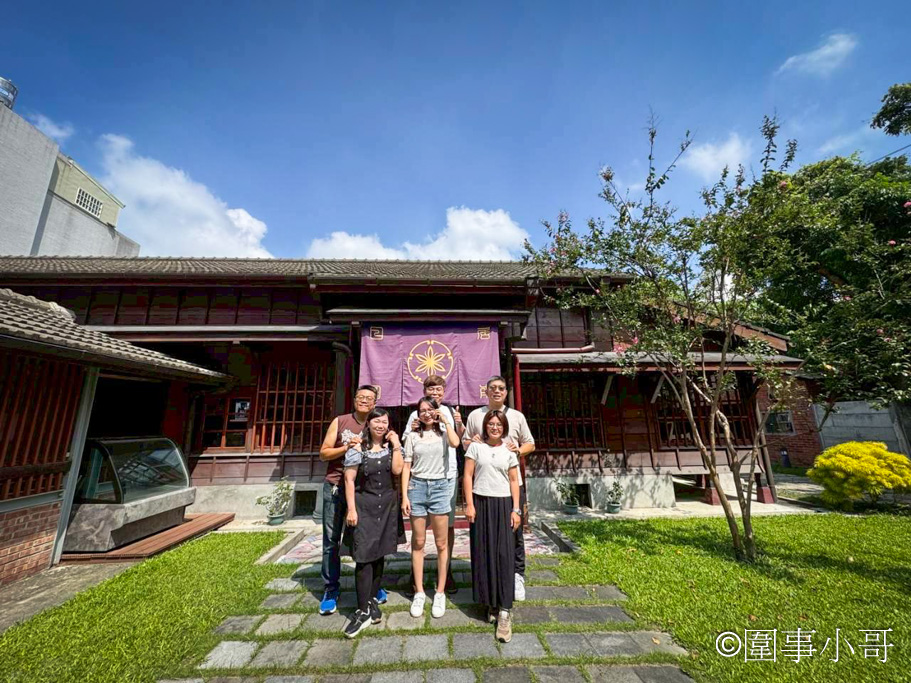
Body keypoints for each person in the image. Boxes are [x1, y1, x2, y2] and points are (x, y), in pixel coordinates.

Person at [463, 376, 535, 602]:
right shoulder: (475, 415)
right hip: (484, 485)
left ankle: (517, 575)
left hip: (511, 484)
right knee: (487, 535)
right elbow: (466, 443)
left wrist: (515, 452)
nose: (496, 391)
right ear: (485, 391)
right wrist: (473, 441)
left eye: (501, 388)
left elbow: (530, 444)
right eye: (492, 388)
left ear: (506, 392)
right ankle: (488, 578)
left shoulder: (516, 416)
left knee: (515, 532)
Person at [317, 385, 388, 615]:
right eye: (361, 397)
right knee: (331, 539)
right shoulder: (341, 421)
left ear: (375, 403)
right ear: (354, 399)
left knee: (369, 539)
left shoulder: (378, 423)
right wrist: (346, 447)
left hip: (365, 493)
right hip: (337, 486)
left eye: (369, 399)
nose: (365, 401)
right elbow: (323, 452)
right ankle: (331, 587)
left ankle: (372, 586)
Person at [342, 408, 404, 637]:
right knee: (363, 557)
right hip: (364, 507)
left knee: (379, 555)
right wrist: (351, 509)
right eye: (376, 421)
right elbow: (349, 480)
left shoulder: (391, 448)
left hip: (387, 507)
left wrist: (396, 442)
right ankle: (361, 609)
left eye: (384, 421)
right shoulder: (357, 449)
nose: (380, 425)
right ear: (368, 423)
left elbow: (397, 470)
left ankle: (372, 601)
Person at [402, 375, 464, 594]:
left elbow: (459, 441)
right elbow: (407, 444)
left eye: (438, 388)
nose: (434, 392)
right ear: (424, 390)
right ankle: (415, 573)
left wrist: (456, 421)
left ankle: (446, 573)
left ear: (444, 391)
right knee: (419, 531)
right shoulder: (415, 413)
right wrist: (414, 427)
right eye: (430, 388)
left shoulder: (448, 411)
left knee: (446, 527)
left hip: (447, 476)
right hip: (420, 478)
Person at [463, 410, 521, 643]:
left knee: (504, 554)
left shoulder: (509, 450)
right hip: (481, 502)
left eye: (499, 424)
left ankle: (505, 609)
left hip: (504, 503)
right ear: (485, 426)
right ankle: (491, 603)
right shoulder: (475, 448)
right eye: (491, 424)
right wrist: (469, 504)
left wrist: (516, 509)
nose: (495, 427)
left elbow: (514, 480)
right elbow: (467, 476)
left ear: (504, 427)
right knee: (484, 553)